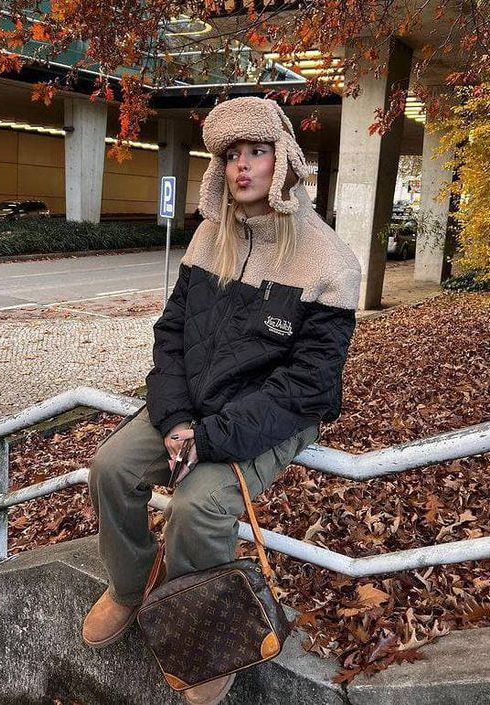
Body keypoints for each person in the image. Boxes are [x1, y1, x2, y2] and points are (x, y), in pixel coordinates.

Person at [83, 96, 361, 705]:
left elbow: (308, 386)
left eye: (257, 151)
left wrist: (206, 439)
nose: (242, 166)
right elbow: (171, 336)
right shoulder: (209, 238)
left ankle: (205, 634)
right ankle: (131, 586)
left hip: (273, 415)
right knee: (110, 468)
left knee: (198, 507)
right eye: (232, 154)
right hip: (193, 405)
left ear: (283, 161)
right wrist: (177, 419)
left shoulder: (330, 261)